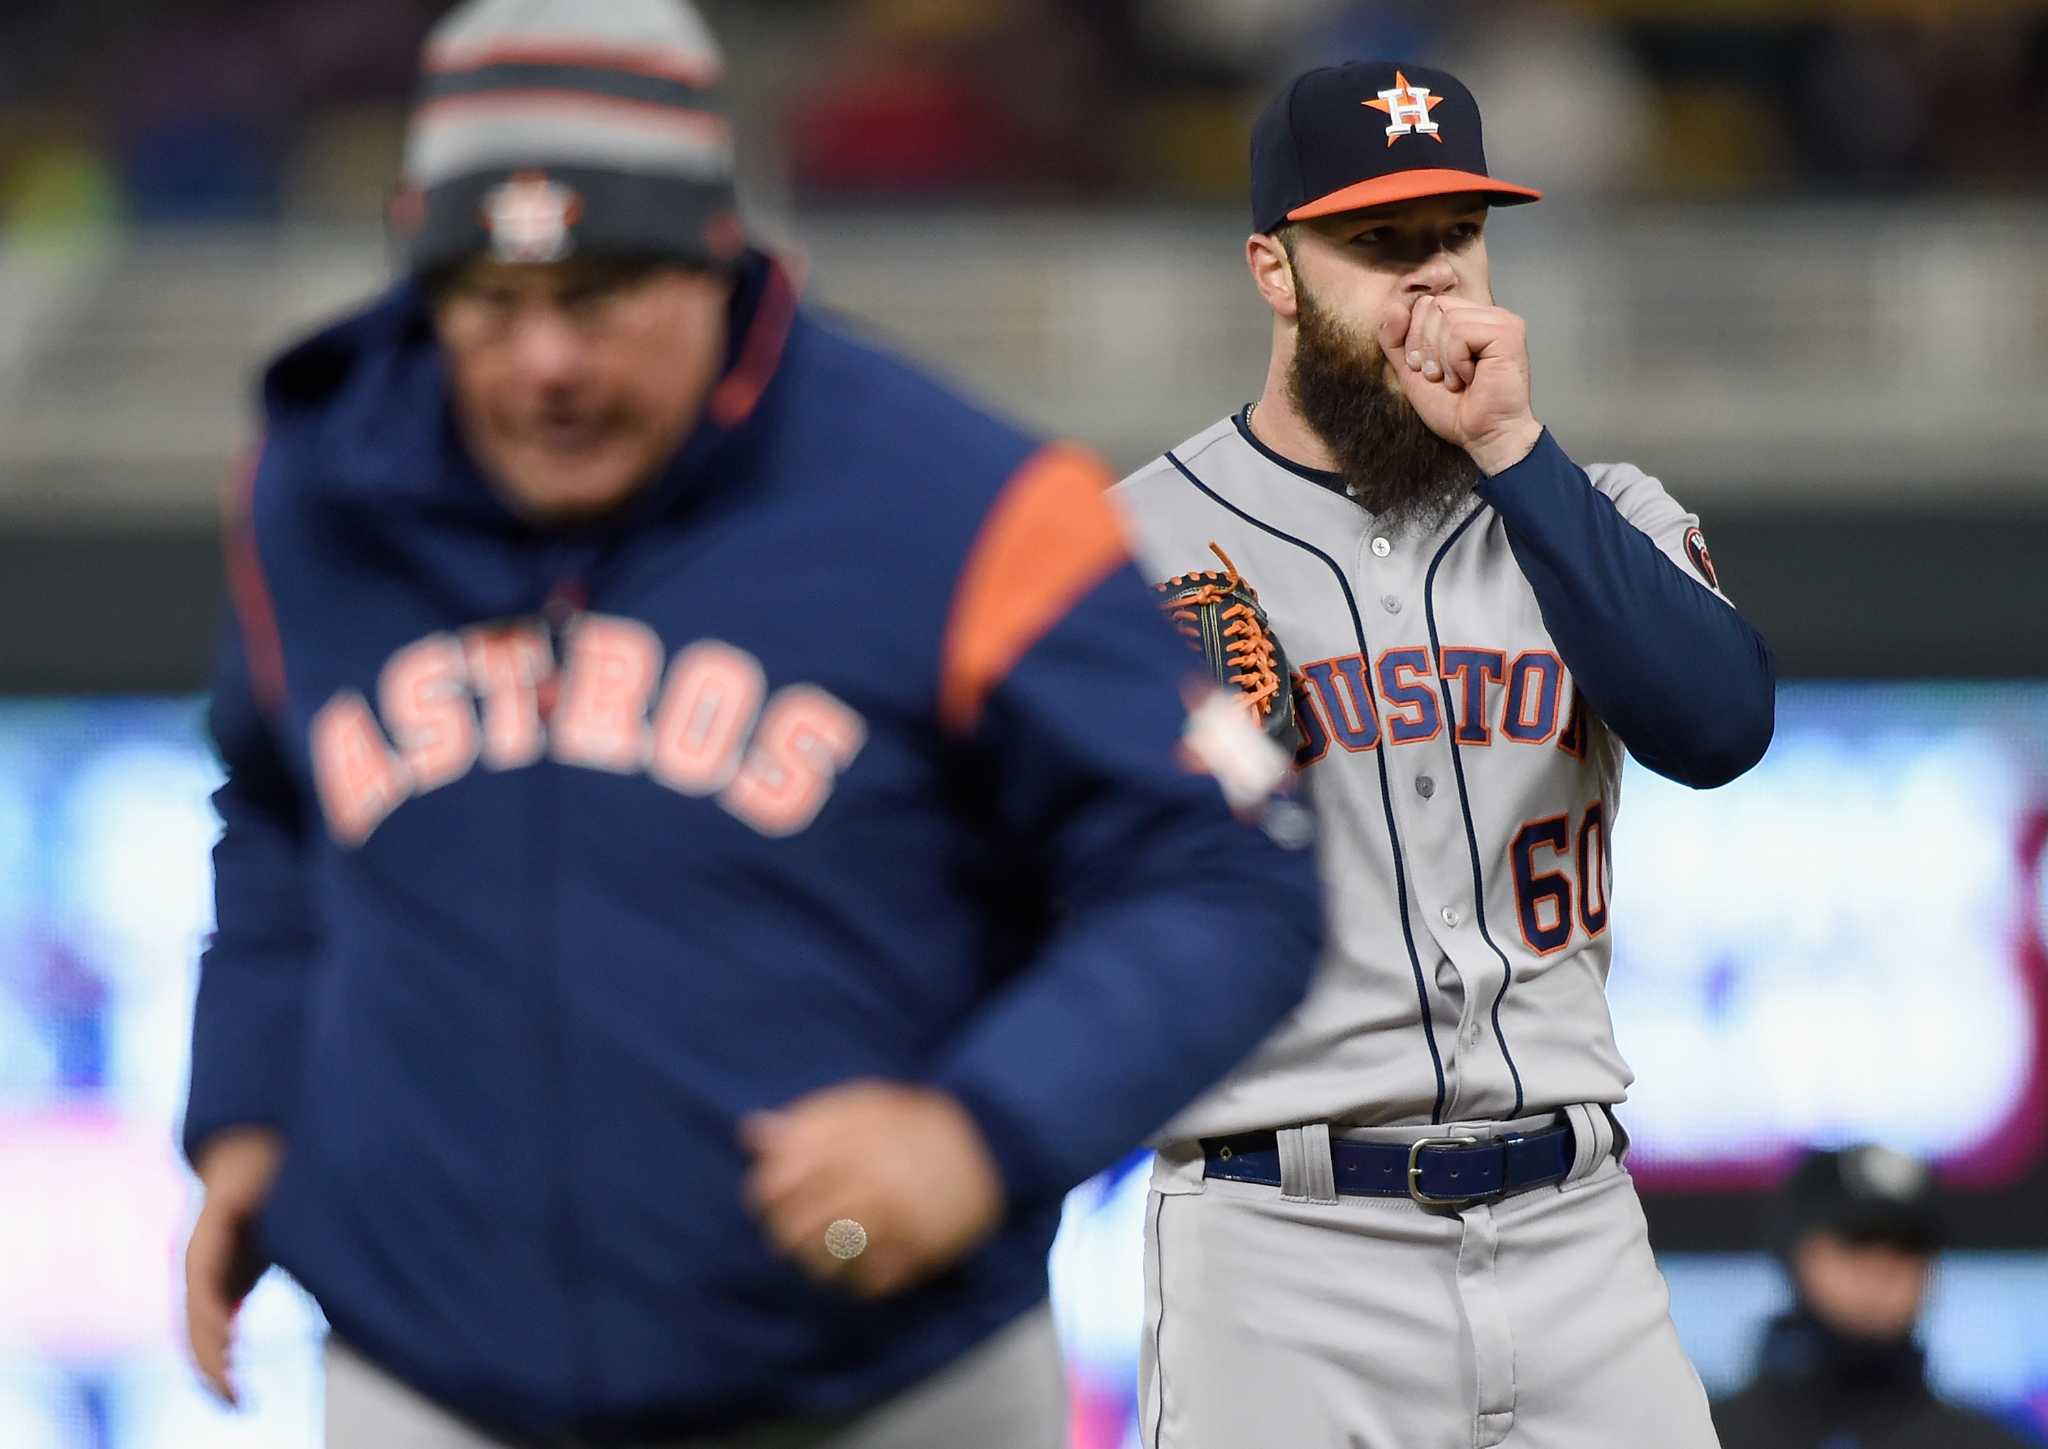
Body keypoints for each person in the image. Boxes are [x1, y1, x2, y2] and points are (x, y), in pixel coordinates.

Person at [178, 2, 1323, 1445]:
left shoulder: (957, 501)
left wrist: (984, 1129)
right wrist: (244, 1108)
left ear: (723, 258)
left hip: (877, 1385)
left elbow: (1229, 873)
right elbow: (279, 806)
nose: (543, 363)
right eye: (485, 298)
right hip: (427, 1373)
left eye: (597, 296)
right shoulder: (316, 487)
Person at [1112, 61, 1778, 1448]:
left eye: (1453, 238)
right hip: (1282, 1242)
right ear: (1274, 270)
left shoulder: (1595, 513)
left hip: (1576, 1225)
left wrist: (1510, 449)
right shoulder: (1133, 549)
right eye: (1374, 247)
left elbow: (1720, 729)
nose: (1427, 287)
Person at [1712, 1145, 2041, 1449]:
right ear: (1795, 1256)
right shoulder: (1704, 1436)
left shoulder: (1990, 1445)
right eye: (1858, 1241)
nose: (1883, 1270)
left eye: (1908, 1246)